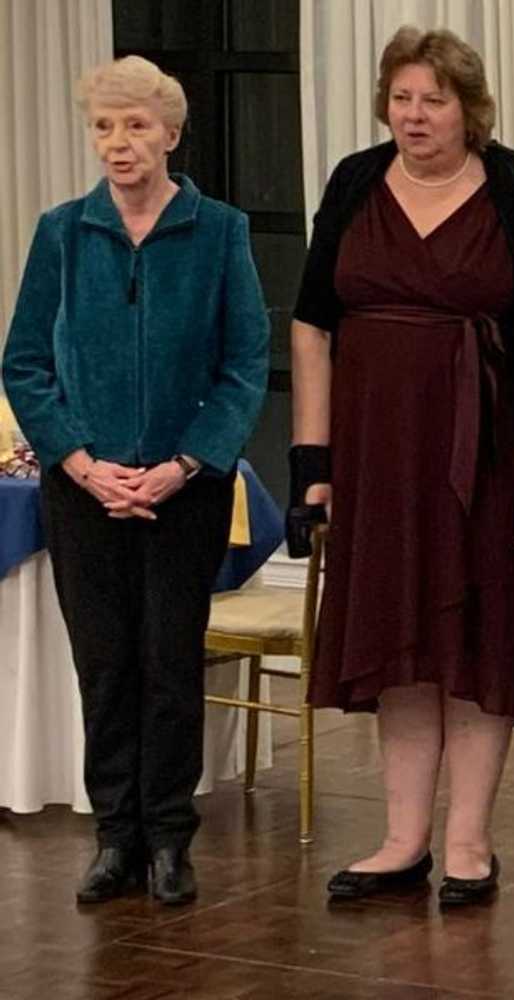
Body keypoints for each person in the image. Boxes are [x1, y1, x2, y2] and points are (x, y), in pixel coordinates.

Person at [287, 27, 514, 907]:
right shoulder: (353, 181)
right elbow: (312, 326)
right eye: (402, 98)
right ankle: (401, 839)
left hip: (488, 458)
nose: (414, 115)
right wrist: (314, 462)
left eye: (434, 100)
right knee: (400, 644)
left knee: (475, 642)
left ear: (470, 108)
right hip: (377, 457)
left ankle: (468, 843)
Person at [1, 55, 268, 905]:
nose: (120, 143)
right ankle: (115, 837)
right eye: (105, 127)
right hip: (82, 492)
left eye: (137, 125)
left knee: (168, 663)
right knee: (105, 664)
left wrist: (184, 463)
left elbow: (244, 363)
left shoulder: (220, 230)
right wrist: (80, 462)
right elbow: (27, 363)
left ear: (171, 135)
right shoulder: (61, 230)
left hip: (181, 491)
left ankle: (168, 841)